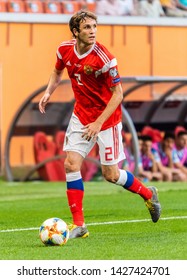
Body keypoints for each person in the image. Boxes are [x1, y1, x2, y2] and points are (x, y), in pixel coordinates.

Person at [39, 10, 161, 239]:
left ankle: (148, 193)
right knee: (71, 164)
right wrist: (48, 93)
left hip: (107, 120)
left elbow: (118, 95)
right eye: (87, 27)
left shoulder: (105, 58)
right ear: (75, 32)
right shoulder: (64, 49)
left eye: (94, 27)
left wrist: (98, 123)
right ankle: (80, 225)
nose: (93, 31)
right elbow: (57, 72)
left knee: (111, 175)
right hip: (81, 116)